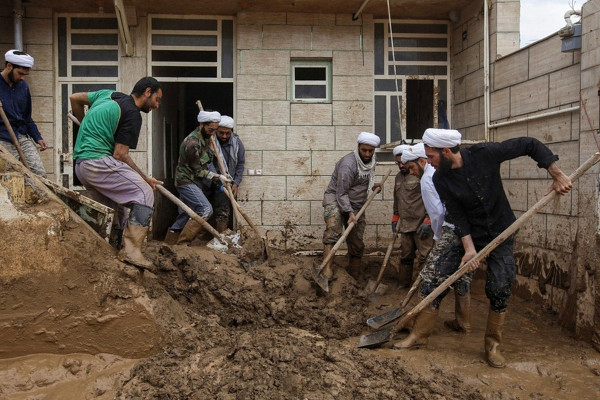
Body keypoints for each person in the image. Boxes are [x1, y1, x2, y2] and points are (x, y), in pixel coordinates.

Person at [422, 128, 572, 368]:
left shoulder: (485, 153)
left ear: (447, 151)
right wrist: (469, 249)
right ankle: (419, 335)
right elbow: (458, 216)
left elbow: (529, 143)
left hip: (502, 231)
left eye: (431, 157)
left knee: (499, 285)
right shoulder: (440, 178)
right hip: (471, 234)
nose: (428, 162)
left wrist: (556, 174)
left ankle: (493, 345)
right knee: (436, 274)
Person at [70, 77, 163, 270]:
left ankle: (112, 250)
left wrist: (83, 123)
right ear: (147, 92)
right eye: (157, 99)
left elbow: (74, 98)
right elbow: (120, 154)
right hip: (97, 162)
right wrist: (144, 178)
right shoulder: (132, 114)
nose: (157, 105)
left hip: (81, 165)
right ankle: (132, 251)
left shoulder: (108, 95)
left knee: (116, 210)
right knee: (144, 193)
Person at [393, 141, 473, 351]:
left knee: (430, 279)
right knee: (462, 277)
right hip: (466, 230)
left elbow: (437, 213)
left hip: (449, 230)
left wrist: (439, 238)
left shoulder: (428, 180)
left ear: (421, 161)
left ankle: (419, 332)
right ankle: (463, 323)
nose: (410, 172)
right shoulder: (442, 173)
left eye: (411, 168)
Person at [321, 131, 381, 282]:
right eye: (364, 150)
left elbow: (361, 181)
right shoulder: (348, 164)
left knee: (356, 240)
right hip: (335, 199)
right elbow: (341, 192)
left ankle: (354, 276)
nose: (367, 154)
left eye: (370, 151)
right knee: (333, 232)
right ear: (358, 147)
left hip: (356, 203)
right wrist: (349, 212)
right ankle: (326, 269)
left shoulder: (372, 160)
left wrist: (373, 185)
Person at [165, 110, 232, 245]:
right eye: (210, 129)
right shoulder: (192, 143)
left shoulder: (206, 139)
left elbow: (207, 162)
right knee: (205, 209)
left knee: (186, 213)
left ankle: (169, 243)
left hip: (195, 181)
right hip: (186, 181)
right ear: (201, 124)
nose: (213, 133)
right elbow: (197, 170)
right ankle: (183, 243)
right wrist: (216, 176)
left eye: (214, 130)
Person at [391, 143, 434, 288]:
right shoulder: (398, 177)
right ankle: (403, 284)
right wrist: (395, 216)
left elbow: (431, 199)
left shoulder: (420, 175)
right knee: (405, 256)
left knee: (425, 256)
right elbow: (397, 198)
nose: (401, 166)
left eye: (404, 163)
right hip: (406, 224)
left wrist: (428, 220)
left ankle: (424, 288)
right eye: (398, 163)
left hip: (421, 223)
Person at [0, 49, 47, 177]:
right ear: (9, 66)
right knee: (13, 175)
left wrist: (37, 137)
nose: (22, 78)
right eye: (20, 73)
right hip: (2, 137)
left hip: (21, 134)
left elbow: (27, 117)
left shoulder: (23, 87)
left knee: (39, 174)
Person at [205, 115, 245, 232]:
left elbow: (240, 164)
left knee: (223, 210)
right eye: (221, 133)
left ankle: (221, 236)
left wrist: (236, 183)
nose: (224, 136)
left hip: (226, 183)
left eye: (227, 133)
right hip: (208, 180)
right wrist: (216, 176)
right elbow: (207, 162)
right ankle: (199, 239)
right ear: (216, 130)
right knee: (204, 209)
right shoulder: (209, 142)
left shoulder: (237, 144)